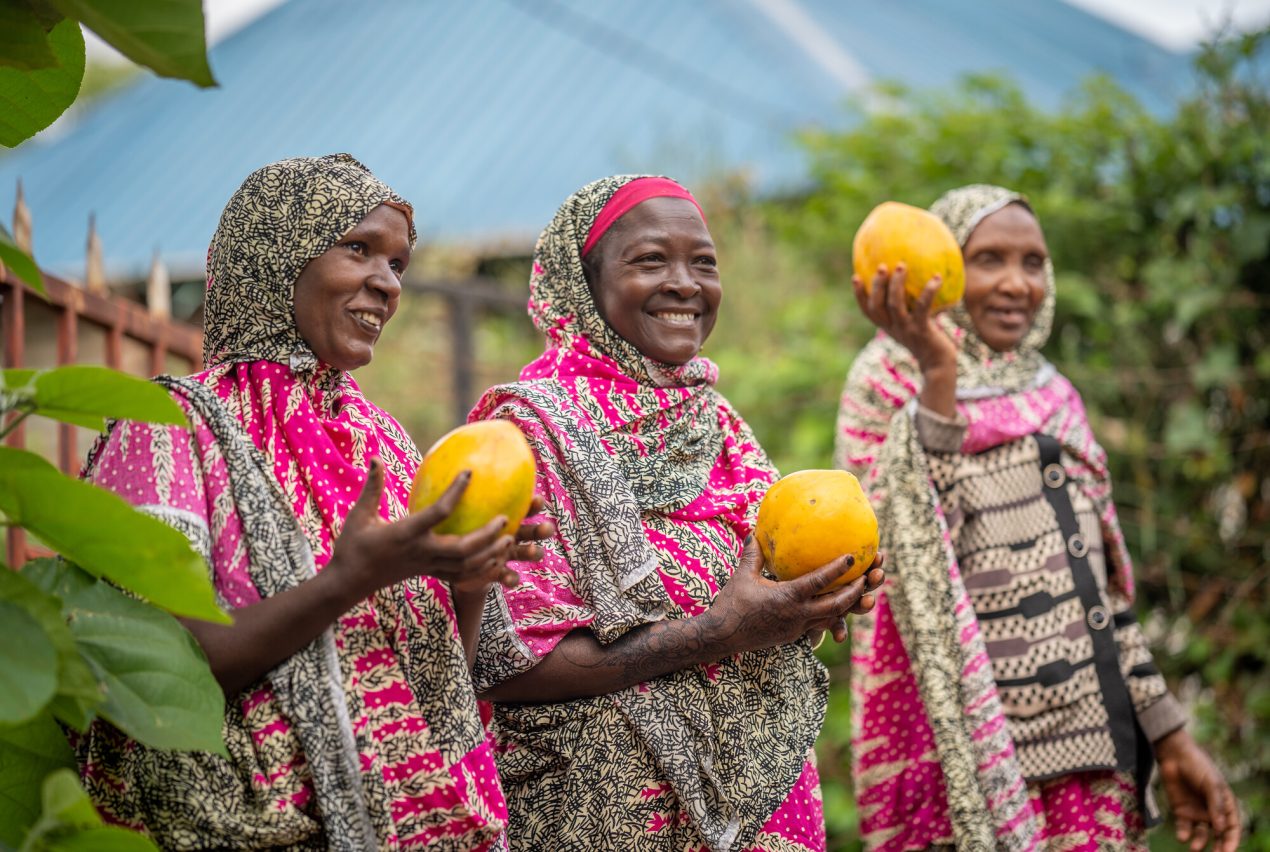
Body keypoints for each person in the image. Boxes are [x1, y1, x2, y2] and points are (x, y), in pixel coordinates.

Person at [75, 154, 548, 851]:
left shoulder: (381, 442)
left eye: (399, 264)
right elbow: (158, 676)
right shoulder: (170, 427)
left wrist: (469, 587)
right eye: (359, 248)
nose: (387, 284)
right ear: (275, 252)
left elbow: (436, 687)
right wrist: (347, 581)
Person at [468, 175, 886, 852]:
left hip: (760, 809)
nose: (686, 283)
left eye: (704, 262)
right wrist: (719, 631)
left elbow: (768, 591)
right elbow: (508, 662)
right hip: (603, 816)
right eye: (650, 260)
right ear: (583, 283)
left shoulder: (716, 424)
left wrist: (818, 597)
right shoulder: (525, 437)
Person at [835, 184, 1240, 851]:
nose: (1017, 283)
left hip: (1091, 747)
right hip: (959, 756)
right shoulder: (886, 385)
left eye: (1034, 262)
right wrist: (938, 372)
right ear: (944, 269)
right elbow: (890, 558)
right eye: (989, 259)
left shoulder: (1054, 397)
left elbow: (1101, 594)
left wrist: (1169, 734)